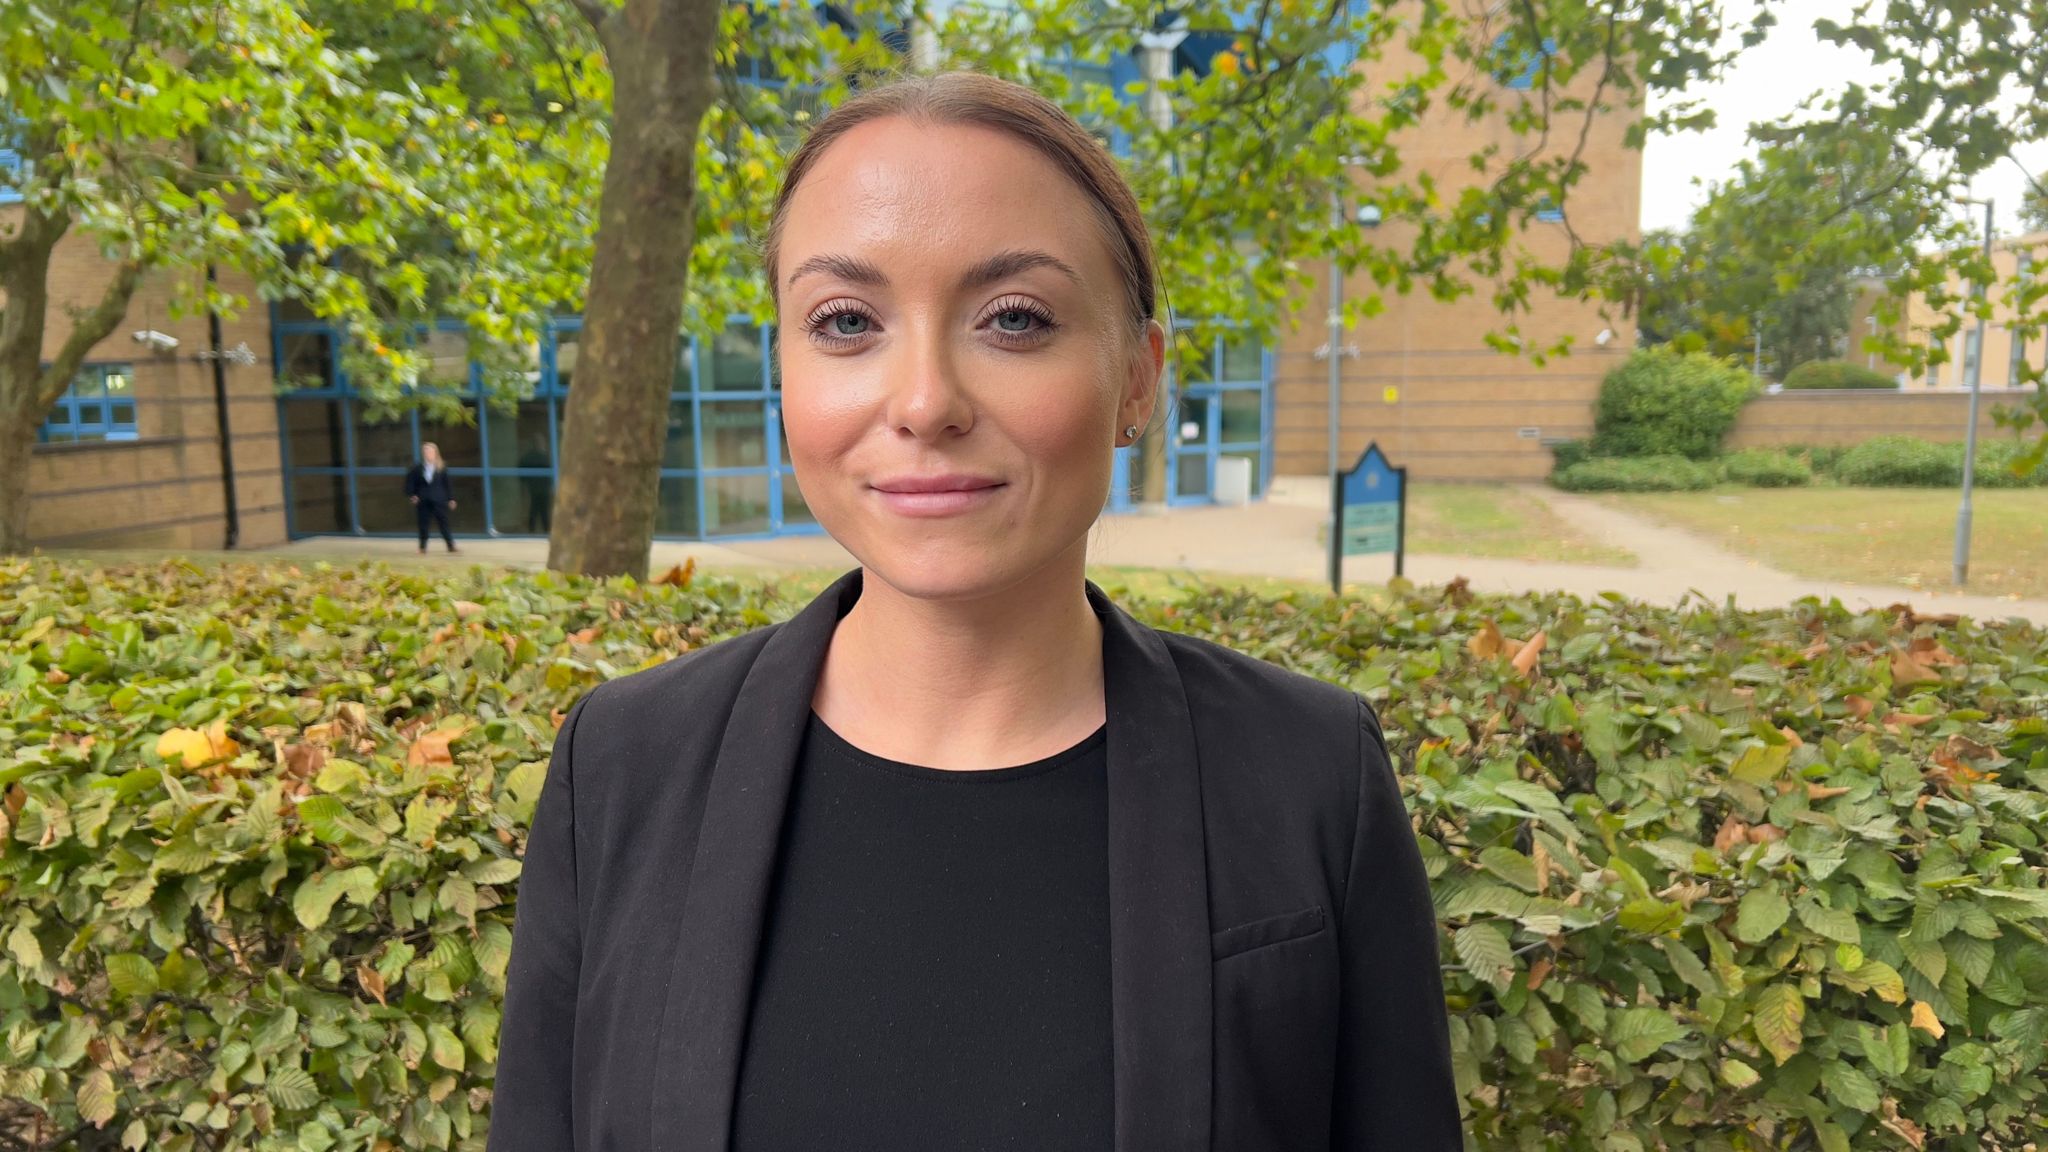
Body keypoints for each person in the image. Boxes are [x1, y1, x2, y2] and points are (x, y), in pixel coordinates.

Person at [491, 72, 1459, 1152]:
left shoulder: (1308, 775)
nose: (922, 403)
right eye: (845, 320)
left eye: (1013, 319)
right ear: (782, 375)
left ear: (1136, 380)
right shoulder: (621, 767)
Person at [404, 441, 458, 554]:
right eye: (426, 451)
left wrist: (451, 499)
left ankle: (451, 546)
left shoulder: (442, 468)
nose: (428, 453)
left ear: (435, 453)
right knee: (423, 524)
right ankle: (422, 547)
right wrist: (412, 495)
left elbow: (448, 484)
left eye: (430, 451)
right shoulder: (417, 468)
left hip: (439, 500)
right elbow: (410, 483)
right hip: (423, 500)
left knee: (443, 523)